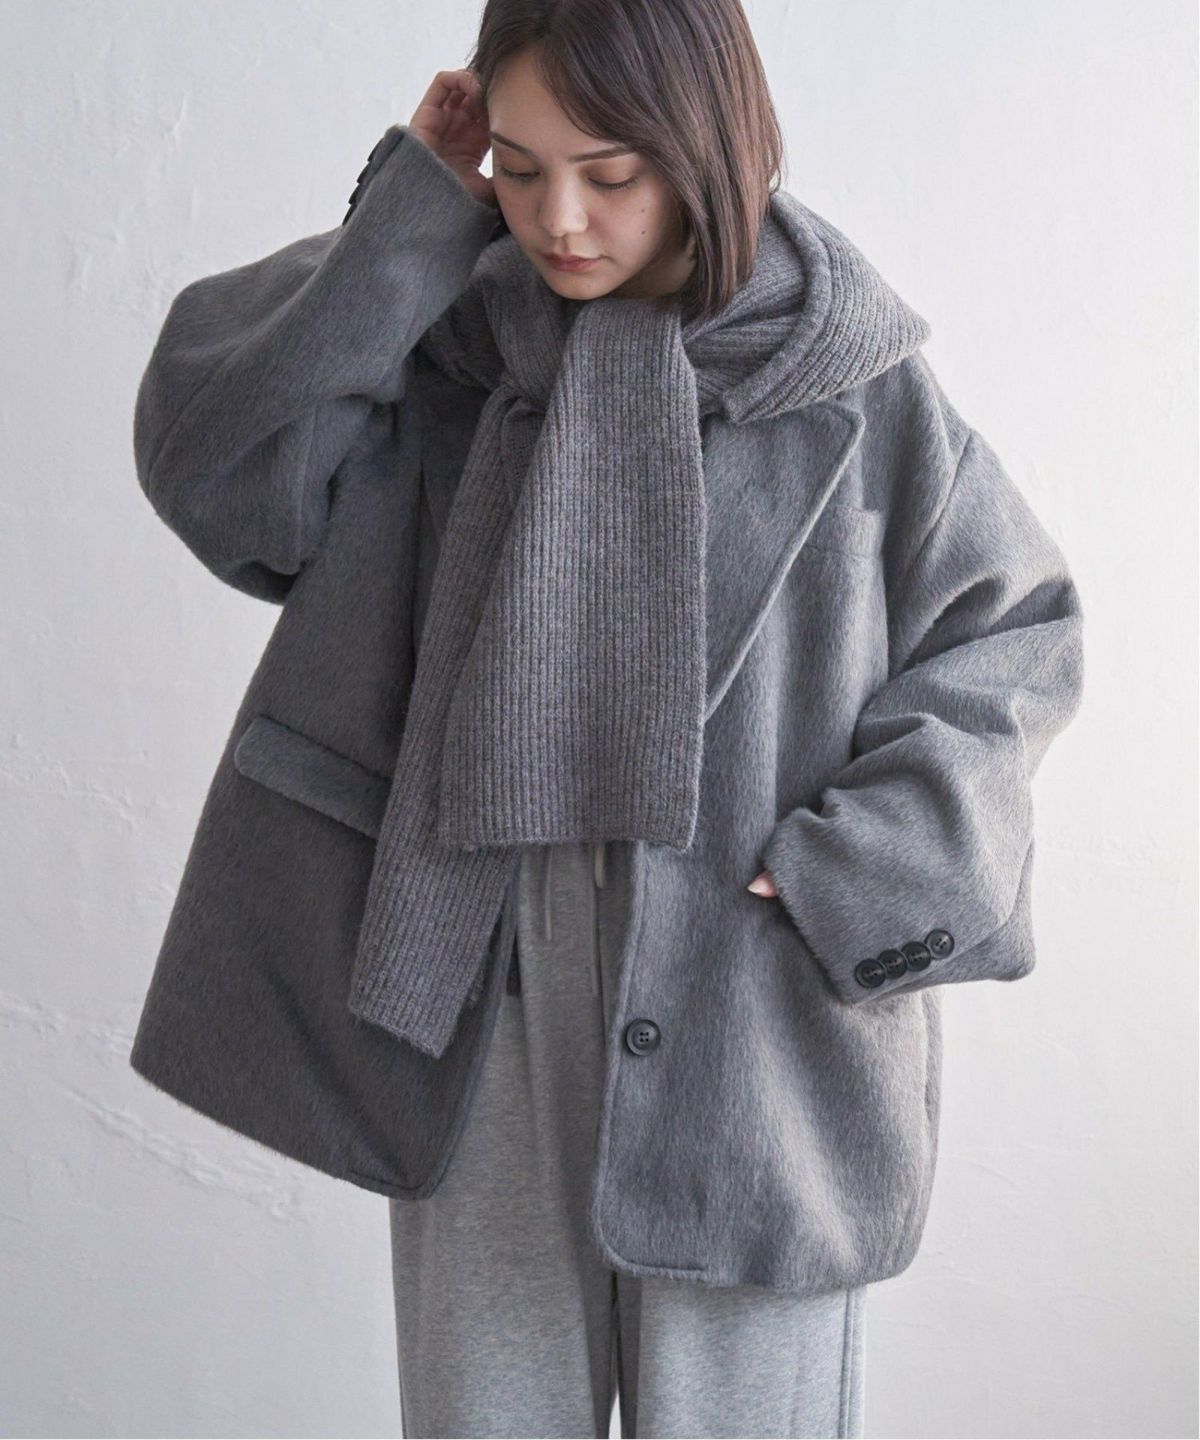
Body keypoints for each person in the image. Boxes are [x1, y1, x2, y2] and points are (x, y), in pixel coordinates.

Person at [127, 2, 1085, 1436]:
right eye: (520, 169)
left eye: (611, 173)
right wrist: (413, 212)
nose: (559, 219)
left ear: (706, 149)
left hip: (753, 1003)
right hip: (481, 987)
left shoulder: (855, 380)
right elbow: (225, 476)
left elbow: (1016, 631)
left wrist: (860, 867)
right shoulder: (441, 338)